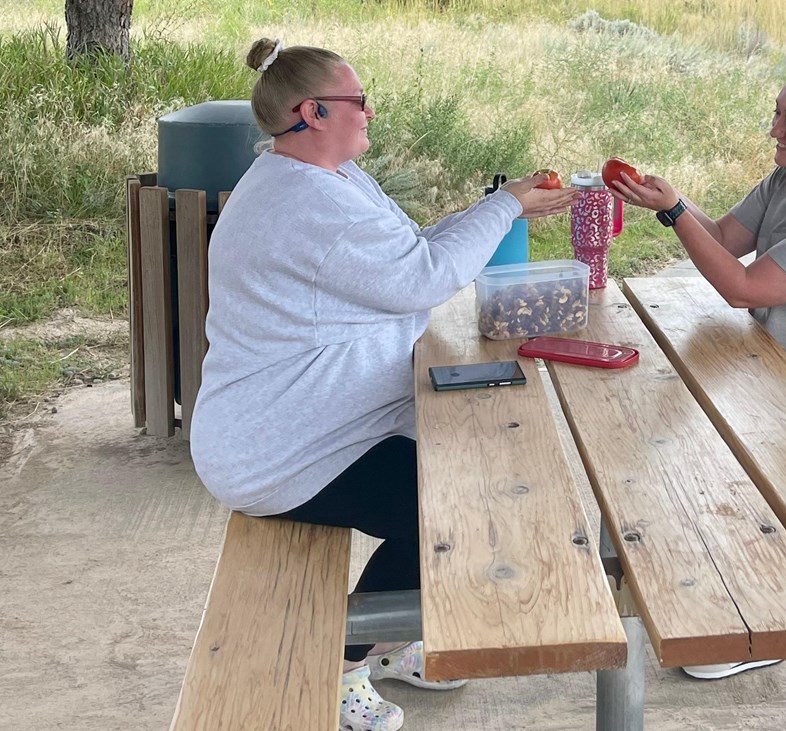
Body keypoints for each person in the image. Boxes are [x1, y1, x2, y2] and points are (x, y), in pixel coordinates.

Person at [189, 38, 576, 731]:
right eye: (358, 101)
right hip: (282, 452)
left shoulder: (326, 177)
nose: (371, 112)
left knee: (468, 485)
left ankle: (389, 640)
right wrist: (508, 206)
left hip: (316, 426)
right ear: (313, 111)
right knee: (452, 516)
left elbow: (413, 247)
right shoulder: (304, 202)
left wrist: (501, 208)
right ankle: (342, 667)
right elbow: (422, 279)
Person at [609, 56, 786, 678]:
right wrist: (675, 204)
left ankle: (773, 628)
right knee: (684, 459)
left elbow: (743, 287)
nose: (775, 130)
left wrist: (676, 215)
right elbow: (724, 238)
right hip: (779, 381)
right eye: (776, 113)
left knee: (738, 498)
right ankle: (739, 604)